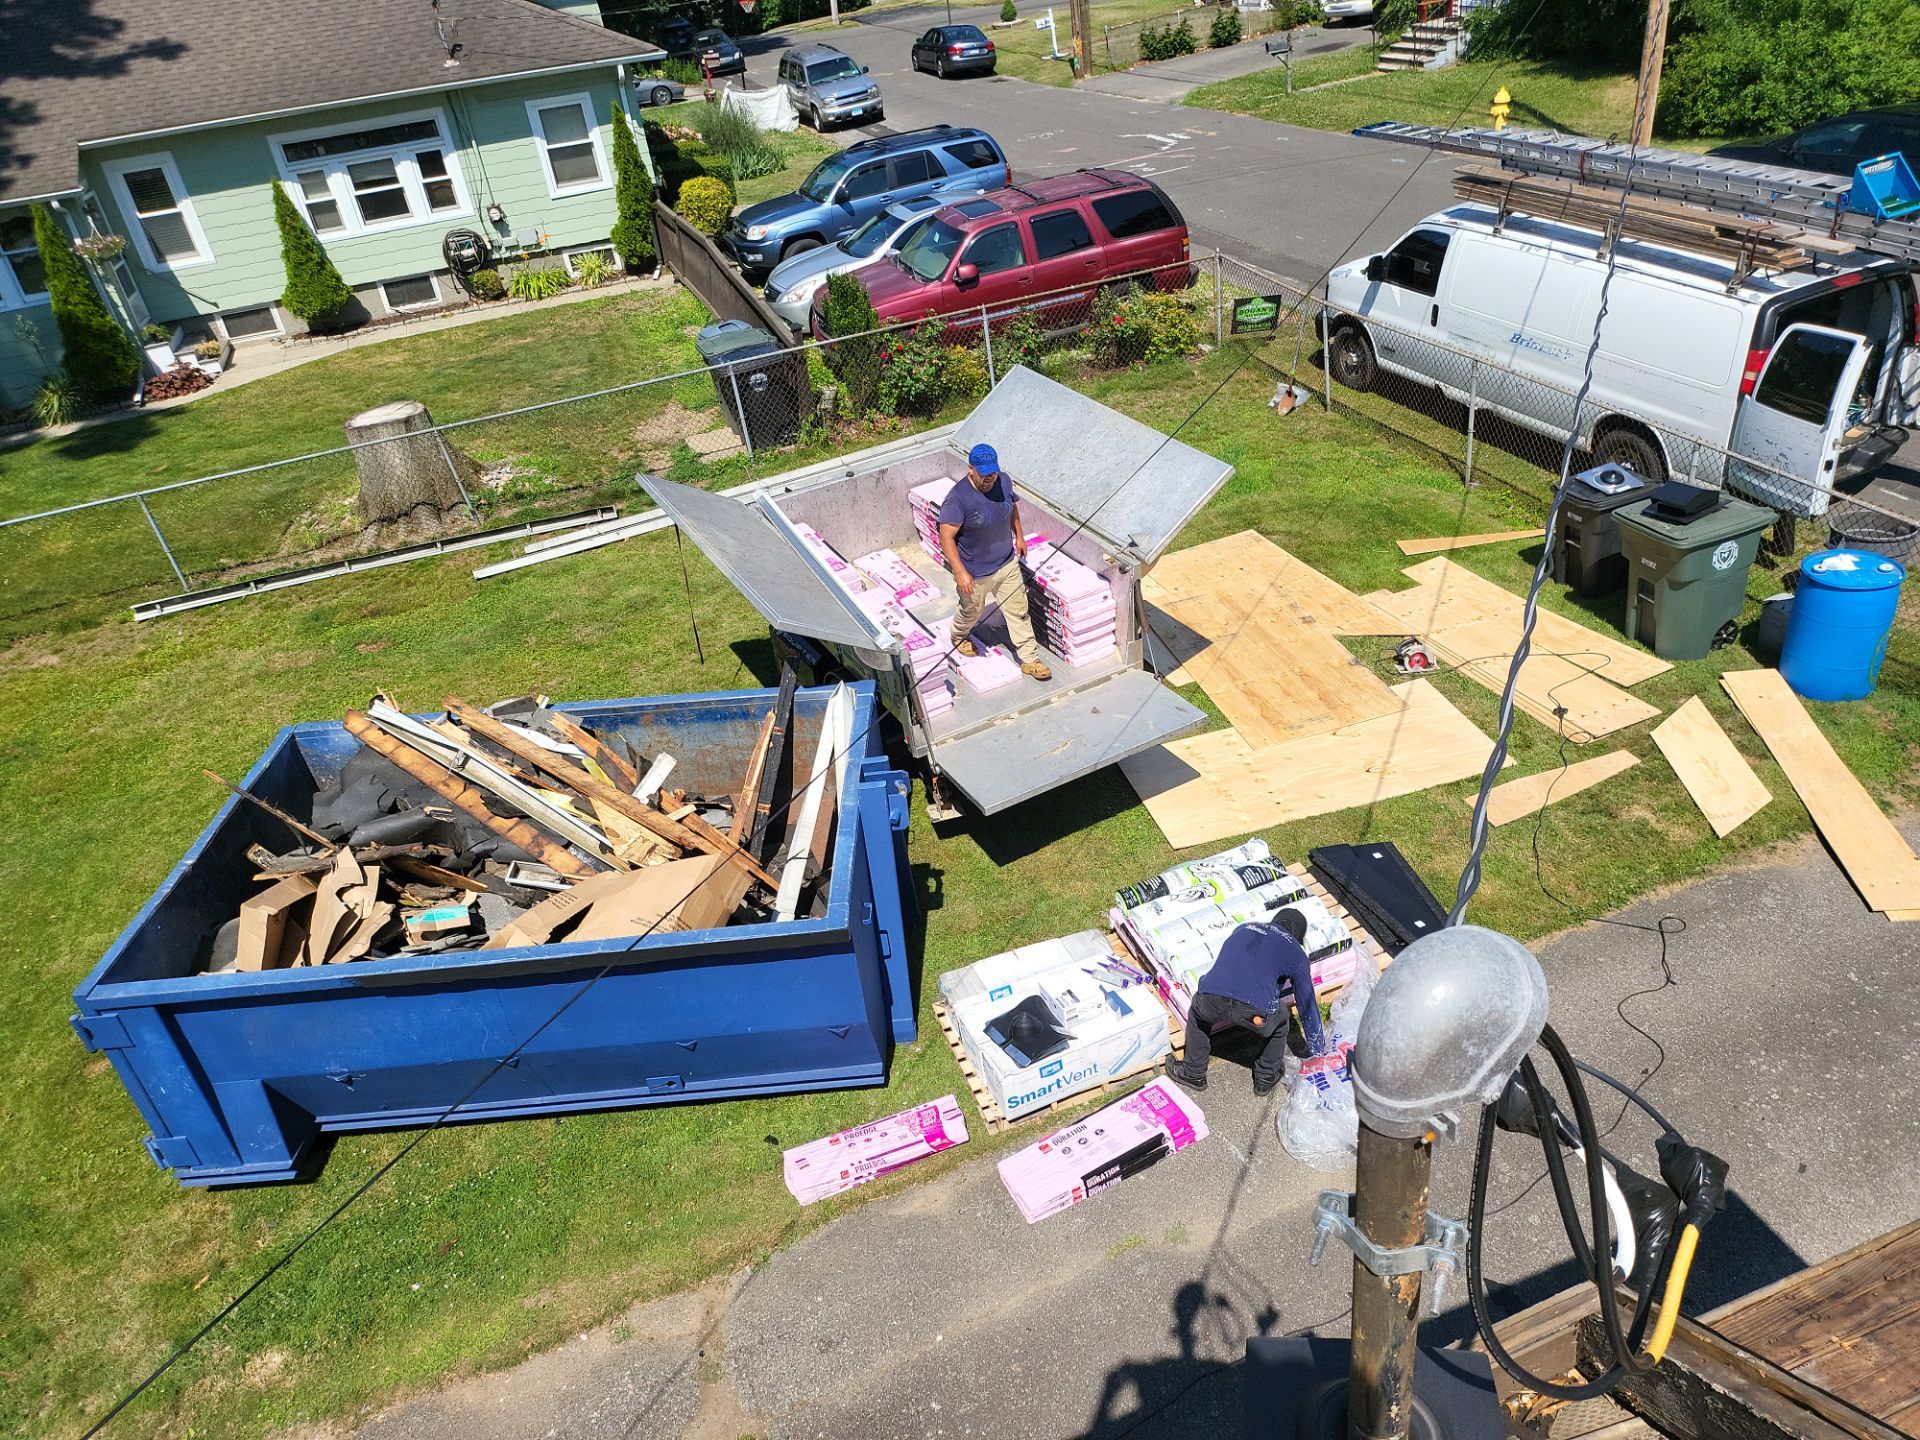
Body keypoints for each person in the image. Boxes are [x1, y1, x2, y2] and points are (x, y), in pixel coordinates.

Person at [1167, 908, 1322, 1097]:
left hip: (1211, 1000)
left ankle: (1193, 1072)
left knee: (1198, 1014)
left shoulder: (1245, 927)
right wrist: (1318, 1051)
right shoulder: (1296, 952)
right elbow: (1306, 1004)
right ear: (1298, 933)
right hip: (1256, 1015)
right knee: (1281, 1019)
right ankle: (1265, 1077)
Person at [937, 442, 1052, 683]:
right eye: (984, 473)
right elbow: (946, 536)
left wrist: (1019, 536)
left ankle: (1030, 659)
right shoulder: (958, 499)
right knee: (971, 612)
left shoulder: (1004, 481)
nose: (989, 477)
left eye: (993, 471)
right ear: (971, 469)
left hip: (1006, 563)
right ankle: (958, 635)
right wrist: (960, 572)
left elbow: (1012, 509)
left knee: (1018, 611)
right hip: (975, 572)